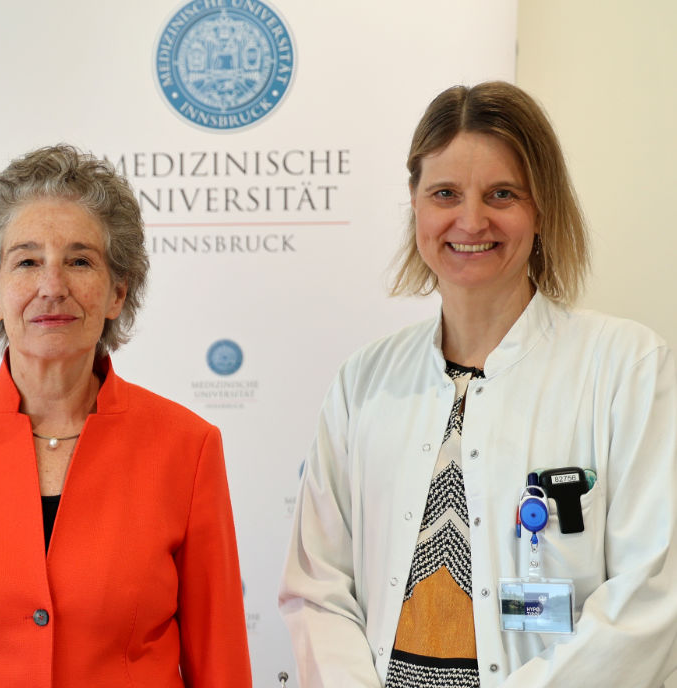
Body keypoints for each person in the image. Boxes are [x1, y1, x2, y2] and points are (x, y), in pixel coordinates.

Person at [279, 81, 677, 687]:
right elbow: (318, 587)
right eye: (445, 194)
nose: (471, 221)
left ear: (541, 209)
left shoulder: (628, 369)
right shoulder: (364, 382)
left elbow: (651, 598)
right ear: (415, 205)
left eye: (502, 194)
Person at [0, 144, 251, 686]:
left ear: (117, 292)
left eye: (80, 261)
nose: (52, 286)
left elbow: (221, 661)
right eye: (27, 262)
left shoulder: (188, 446)